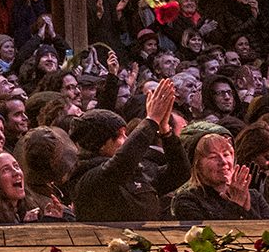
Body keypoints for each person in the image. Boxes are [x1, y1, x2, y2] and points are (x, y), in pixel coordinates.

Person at [68, 80, 183, 221]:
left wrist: (166, 132)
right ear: (101, 144)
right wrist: (151, 120)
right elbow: (120, 163)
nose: (126, 139)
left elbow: (180, 172)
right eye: (120, 135)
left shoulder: (138, 171)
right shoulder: (88, 178)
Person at [169, 132, 269, 220]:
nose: (223, 161)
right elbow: (210, 238)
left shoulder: (254, 196)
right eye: (213, 157)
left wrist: (247, 208)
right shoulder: (187, 201)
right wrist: (236, 206)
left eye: (226, 154)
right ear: (197, 165)